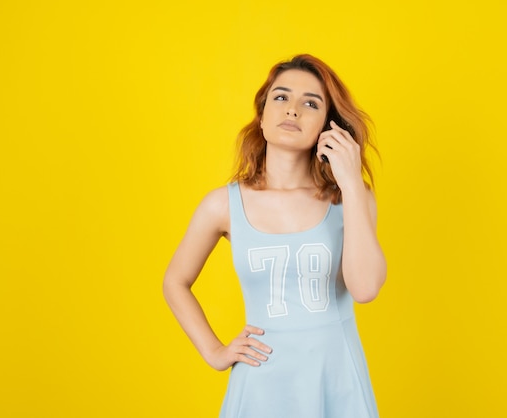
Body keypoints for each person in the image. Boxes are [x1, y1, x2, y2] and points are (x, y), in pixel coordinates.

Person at [163, 54, 387, 418]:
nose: (293, 110)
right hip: (261, 385)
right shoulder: (222, 205)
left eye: (310, 103)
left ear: (328, 126)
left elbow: (365, 289)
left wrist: (349, 182)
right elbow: (175, 280)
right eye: (281, 97)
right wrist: (215, 352)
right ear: (262, 116)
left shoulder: (351, 197)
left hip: (337, 380)